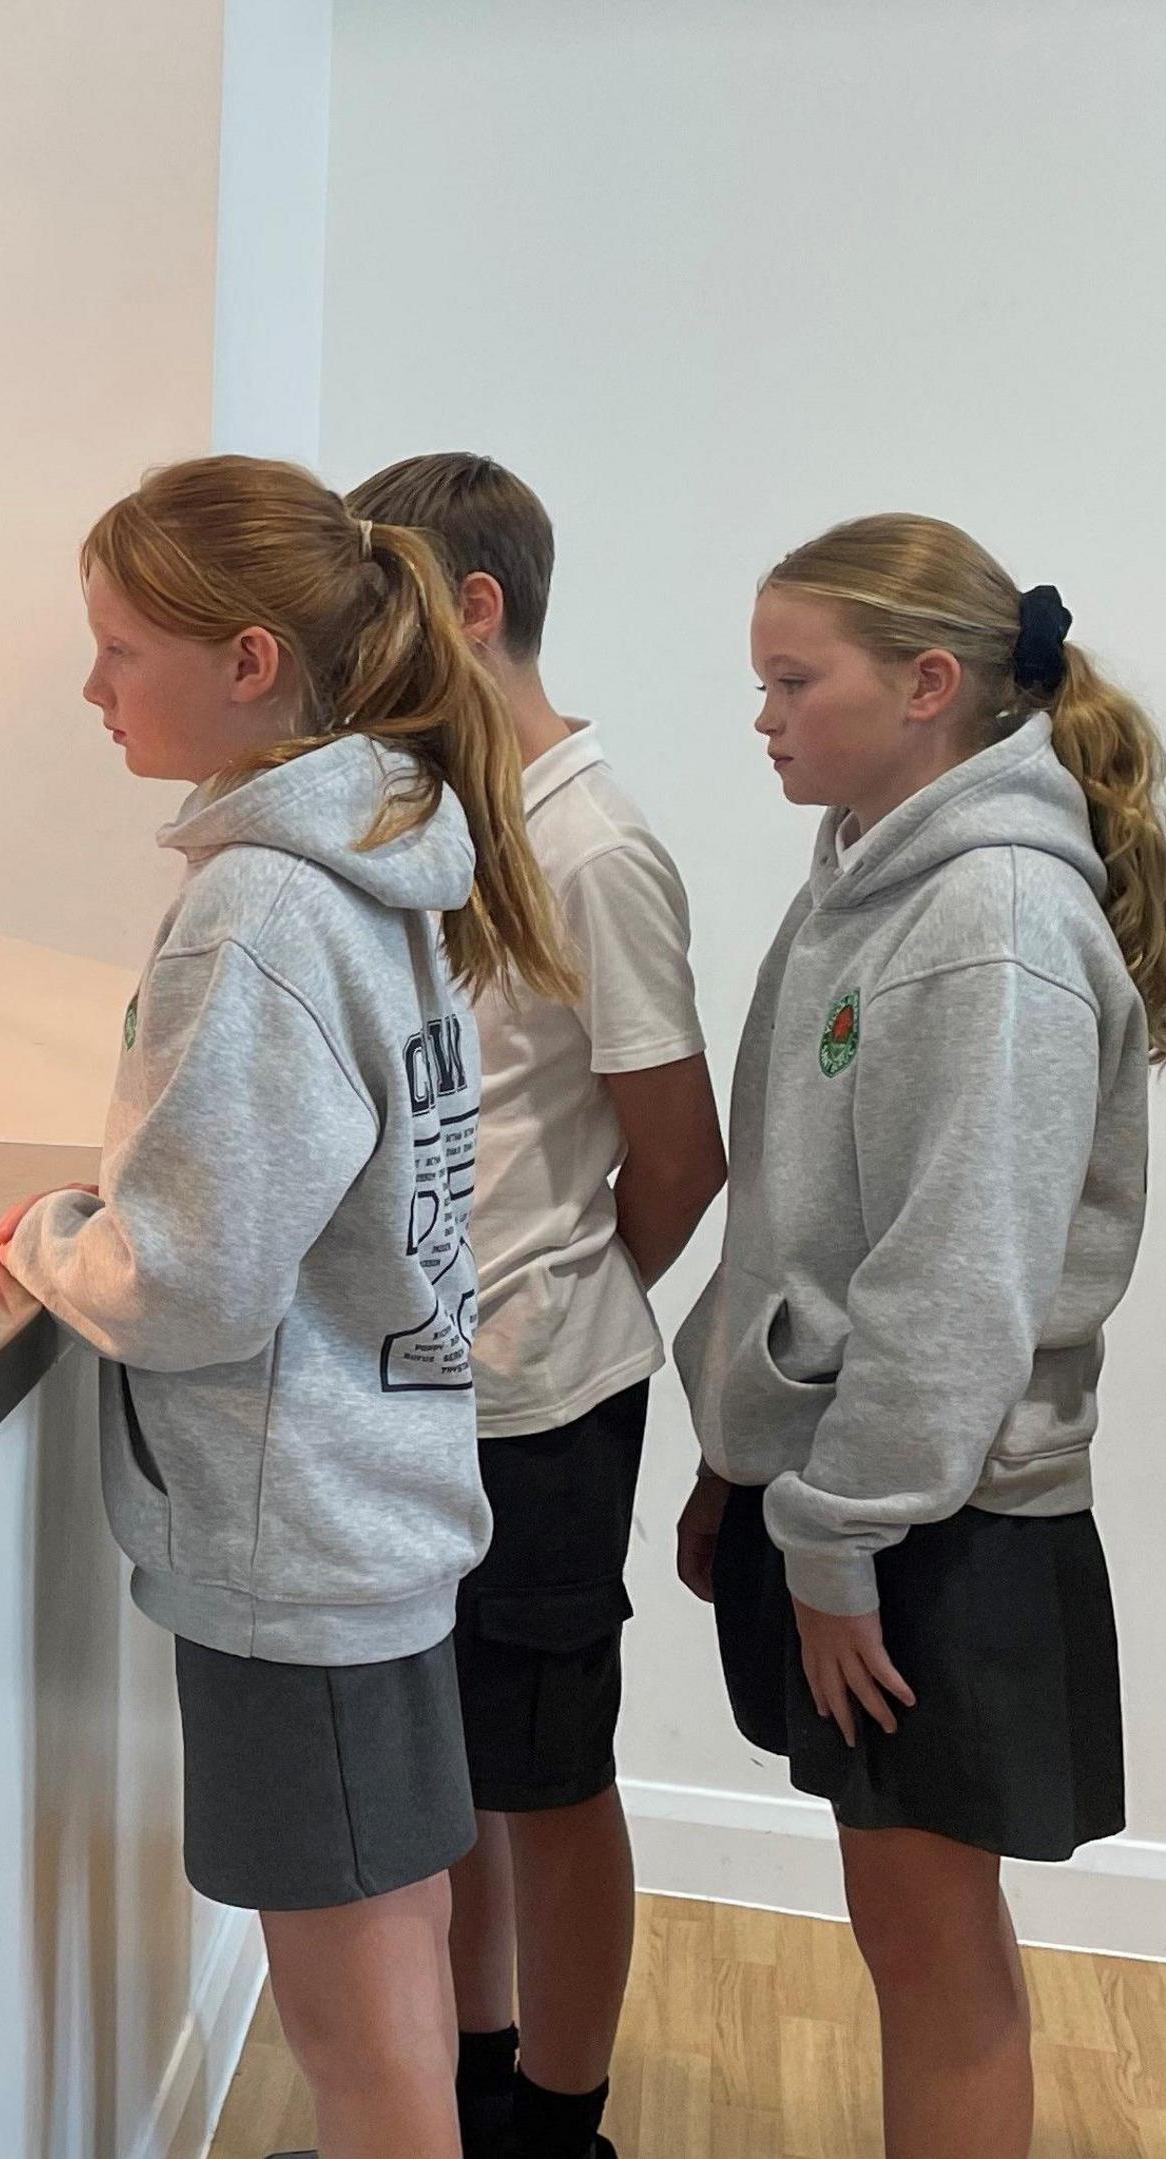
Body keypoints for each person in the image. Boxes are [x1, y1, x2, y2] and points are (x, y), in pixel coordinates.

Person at [0, 455, 573, 2159]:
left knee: (359, 2034)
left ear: (249, 662)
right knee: (382, 1986)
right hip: (370, 1505)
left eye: (119, 648)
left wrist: (47, 1234)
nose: (93, 687)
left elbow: (185, 1280)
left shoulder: (261, 905)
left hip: (294, 1541)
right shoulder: (380, 863)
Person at [677, 514, 1166, 2159]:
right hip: (850, 1492)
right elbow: (800, 1209)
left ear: (927, 683)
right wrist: (734, 1454)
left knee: (932, 1948)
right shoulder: (863, 877)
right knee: (906, 1928)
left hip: (927, 1523)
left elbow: (957, 1275)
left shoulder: (992, 919)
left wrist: (832, 1532)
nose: (761, 714)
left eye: (790, 678)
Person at [347, 453, 723, 2159]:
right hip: (422, 1393)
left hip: (544, 1402)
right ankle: (480, 2074)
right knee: (450, 1777)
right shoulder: (434, 821)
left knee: (550, 1783)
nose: (357, 659)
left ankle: (561, 2121)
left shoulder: (594, 845)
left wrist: (558, 1303)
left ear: (474, 609)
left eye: (379, 615)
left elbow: (679, 1153)